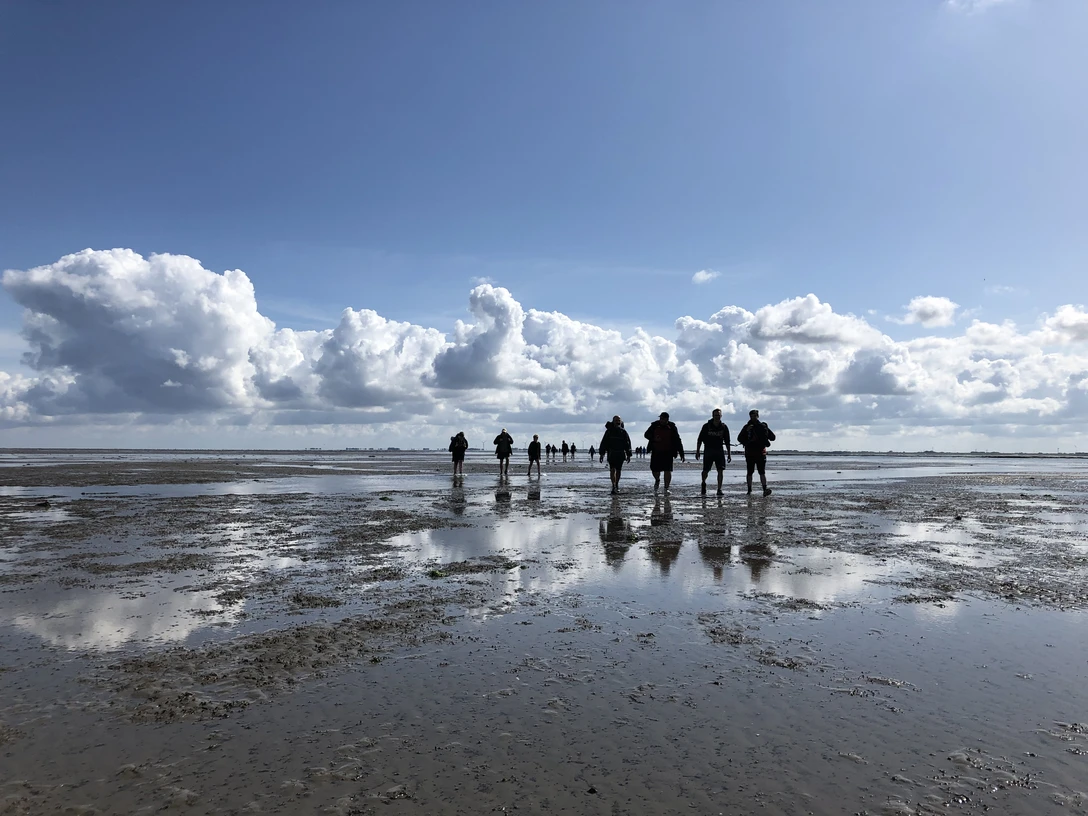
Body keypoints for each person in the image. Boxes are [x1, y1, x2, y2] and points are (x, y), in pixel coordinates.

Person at [737, 409, 776, 496]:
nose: (753, 417)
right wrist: (746, 431)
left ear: (758, 416)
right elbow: (739, 438)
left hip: (760, 453)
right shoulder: (747, 427)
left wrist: (765, 436)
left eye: (755, 416)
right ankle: (749, 490)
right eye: (752, 416)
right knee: (750, 472)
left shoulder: (763, 426)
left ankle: (764, 489)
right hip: (750, 453)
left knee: (762, 472)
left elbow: (773, 437)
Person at [644, 411, 685, 493]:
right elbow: (646, 434)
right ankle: (657, 480)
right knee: (655, 470)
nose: (661, 420)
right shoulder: (654, 425)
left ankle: (666, 488)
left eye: (663, 419)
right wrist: (654, 438)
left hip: (668, 452)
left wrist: (681, 453)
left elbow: (677, 440)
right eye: (660, 418)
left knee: (667, 470)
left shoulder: (672, 427)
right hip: (656, 451)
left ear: (667, 419)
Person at [695, 408, 732, 496]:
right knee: (705, 471)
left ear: (721, 416)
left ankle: (719, 489)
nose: (717, 417)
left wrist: (729, 454)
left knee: (720, 470)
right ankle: (703, 482)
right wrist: (697, 451)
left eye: (718, 415)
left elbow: (727, 441)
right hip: (709, 451)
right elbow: (700, 439)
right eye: (715, 415)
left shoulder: (723, 427)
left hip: (719, 451)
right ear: (712, 416)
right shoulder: (706, 426)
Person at [598, 416, 633, 494]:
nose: (617, 422)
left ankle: (616, 484)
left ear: (621, 422)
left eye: (619, 420)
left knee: (618, 470)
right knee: (612, 469)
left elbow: (627, 444)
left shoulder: (623, 432)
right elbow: (604, 443)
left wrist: (629, 454)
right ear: (613, 421)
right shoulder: (609, 431)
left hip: (620, 454)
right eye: (616, 420)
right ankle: (613, 485)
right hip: (612, 453)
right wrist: (602, 454)